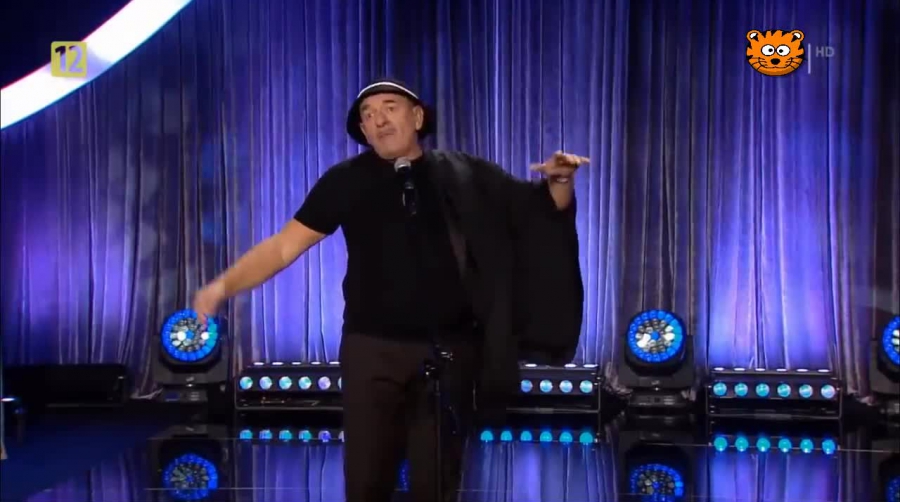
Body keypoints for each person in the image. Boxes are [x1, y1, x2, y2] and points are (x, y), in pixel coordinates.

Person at [192, 78, 587, 502]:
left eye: (389, 107)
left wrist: (561, 182)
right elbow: (283, 247)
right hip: (372, 351)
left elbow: (540, 211)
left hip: (450, 351)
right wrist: (223, 286)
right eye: (368, 115)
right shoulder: (345, 180)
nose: (379, 119)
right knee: (367, 479)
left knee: (437, 481)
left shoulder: (464, 173)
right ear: (363, 131)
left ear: (416, 117)